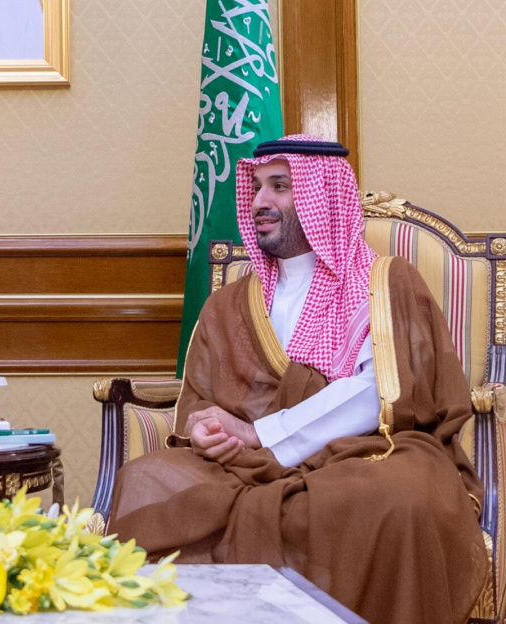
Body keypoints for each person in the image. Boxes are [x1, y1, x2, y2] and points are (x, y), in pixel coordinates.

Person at [108, 135, 487, 624]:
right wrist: (209, 430)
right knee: (145, 478)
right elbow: (201, 404)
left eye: (280, 187)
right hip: (242, 465)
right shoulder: (230, 303)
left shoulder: (385, 281)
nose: (260, 201)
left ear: (321, 195)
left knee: (402, 500)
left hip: (366, 453)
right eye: (258, 187)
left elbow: (381, 391)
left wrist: (263, 432)